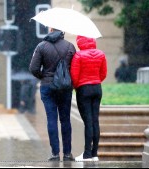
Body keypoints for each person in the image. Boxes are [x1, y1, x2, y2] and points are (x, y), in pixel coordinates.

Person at [29, 28, 76, 161]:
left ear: (50, 30)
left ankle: (55, 153)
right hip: (65, 87)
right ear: (62, 32)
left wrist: (44, 76)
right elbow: (75, 67)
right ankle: (67, 154)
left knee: (51, 119)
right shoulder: (70, 46)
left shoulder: (41, 46)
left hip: (48, 87)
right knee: (65, 119)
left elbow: (33, 68)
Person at [70, 36, 107, 162]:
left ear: (80, 42)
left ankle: (86, 154)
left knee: (88, 122)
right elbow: (103, 73)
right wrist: (95, 81)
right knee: (95, 121)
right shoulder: (101, 54)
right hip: (97, 88)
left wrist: (77, 87)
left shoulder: (78, 56)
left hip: (83, 89)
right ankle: (94, 153)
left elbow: (74, 76)